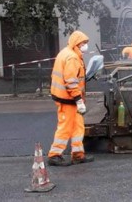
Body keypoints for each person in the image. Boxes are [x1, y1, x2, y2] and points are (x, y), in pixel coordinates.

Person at [47, 30, 94, 166]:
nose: (85, 46)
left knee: (78, 127)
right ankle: (54, 155)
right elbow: (71, 81)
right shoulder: (72, 57)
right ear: (76, 43)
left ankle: (78, 155)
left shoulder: (67, 53)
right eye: (83, 43)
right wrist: (78, 100)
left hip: (67, 97)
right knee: (65, 127)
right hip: (68, 99)